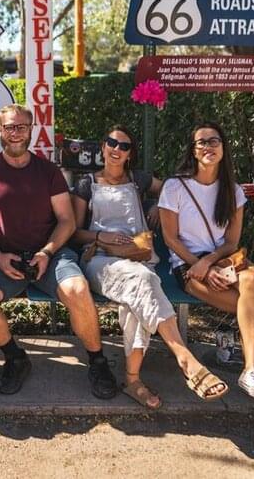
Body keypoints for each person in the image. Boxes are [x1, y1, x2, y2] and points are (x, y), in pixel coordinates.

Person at [0, 104, 117, 399]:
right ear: (0, 131)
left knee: (77, 289)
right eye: (10, 127)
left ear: (31, 130)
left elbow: (66, 220)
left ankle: (97, 361)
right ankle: (15, 357)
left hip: (51, 255)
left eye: (22, 127)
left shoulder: (48, 171)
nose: (16, 133)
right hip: (3, 258)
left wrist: (46, 252)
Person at [71, 125, 228, 409]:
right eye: (112, 143)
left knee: (137, 296)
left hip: (139, 258)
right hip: (100, 260)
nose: (117, 149)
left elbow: (173, 186)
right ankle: (184, 357)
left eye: (124, 146)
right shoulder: (86, 184)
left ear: (130, 154)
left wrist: (159, 204)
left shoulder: (139, 179)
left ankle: (133, 380)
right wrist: (100, 236)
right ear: (103, 147)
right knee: (143, 281)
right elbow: (73, 232)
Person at [159, 121, 254, 407]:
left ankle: (251, 371)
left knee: (252, 281)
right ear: (193, 151)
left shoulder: (233, 190)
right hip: (188, 266)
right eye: (201, 142)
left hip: (220, 258)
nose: (208, 147)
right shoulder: (175, 186)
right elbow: (170, 239)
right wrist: (200, 265)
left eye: (214, 141)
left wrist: (211, 262)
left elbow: (231, 241)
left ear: (223, 147)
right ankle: (252, 372)